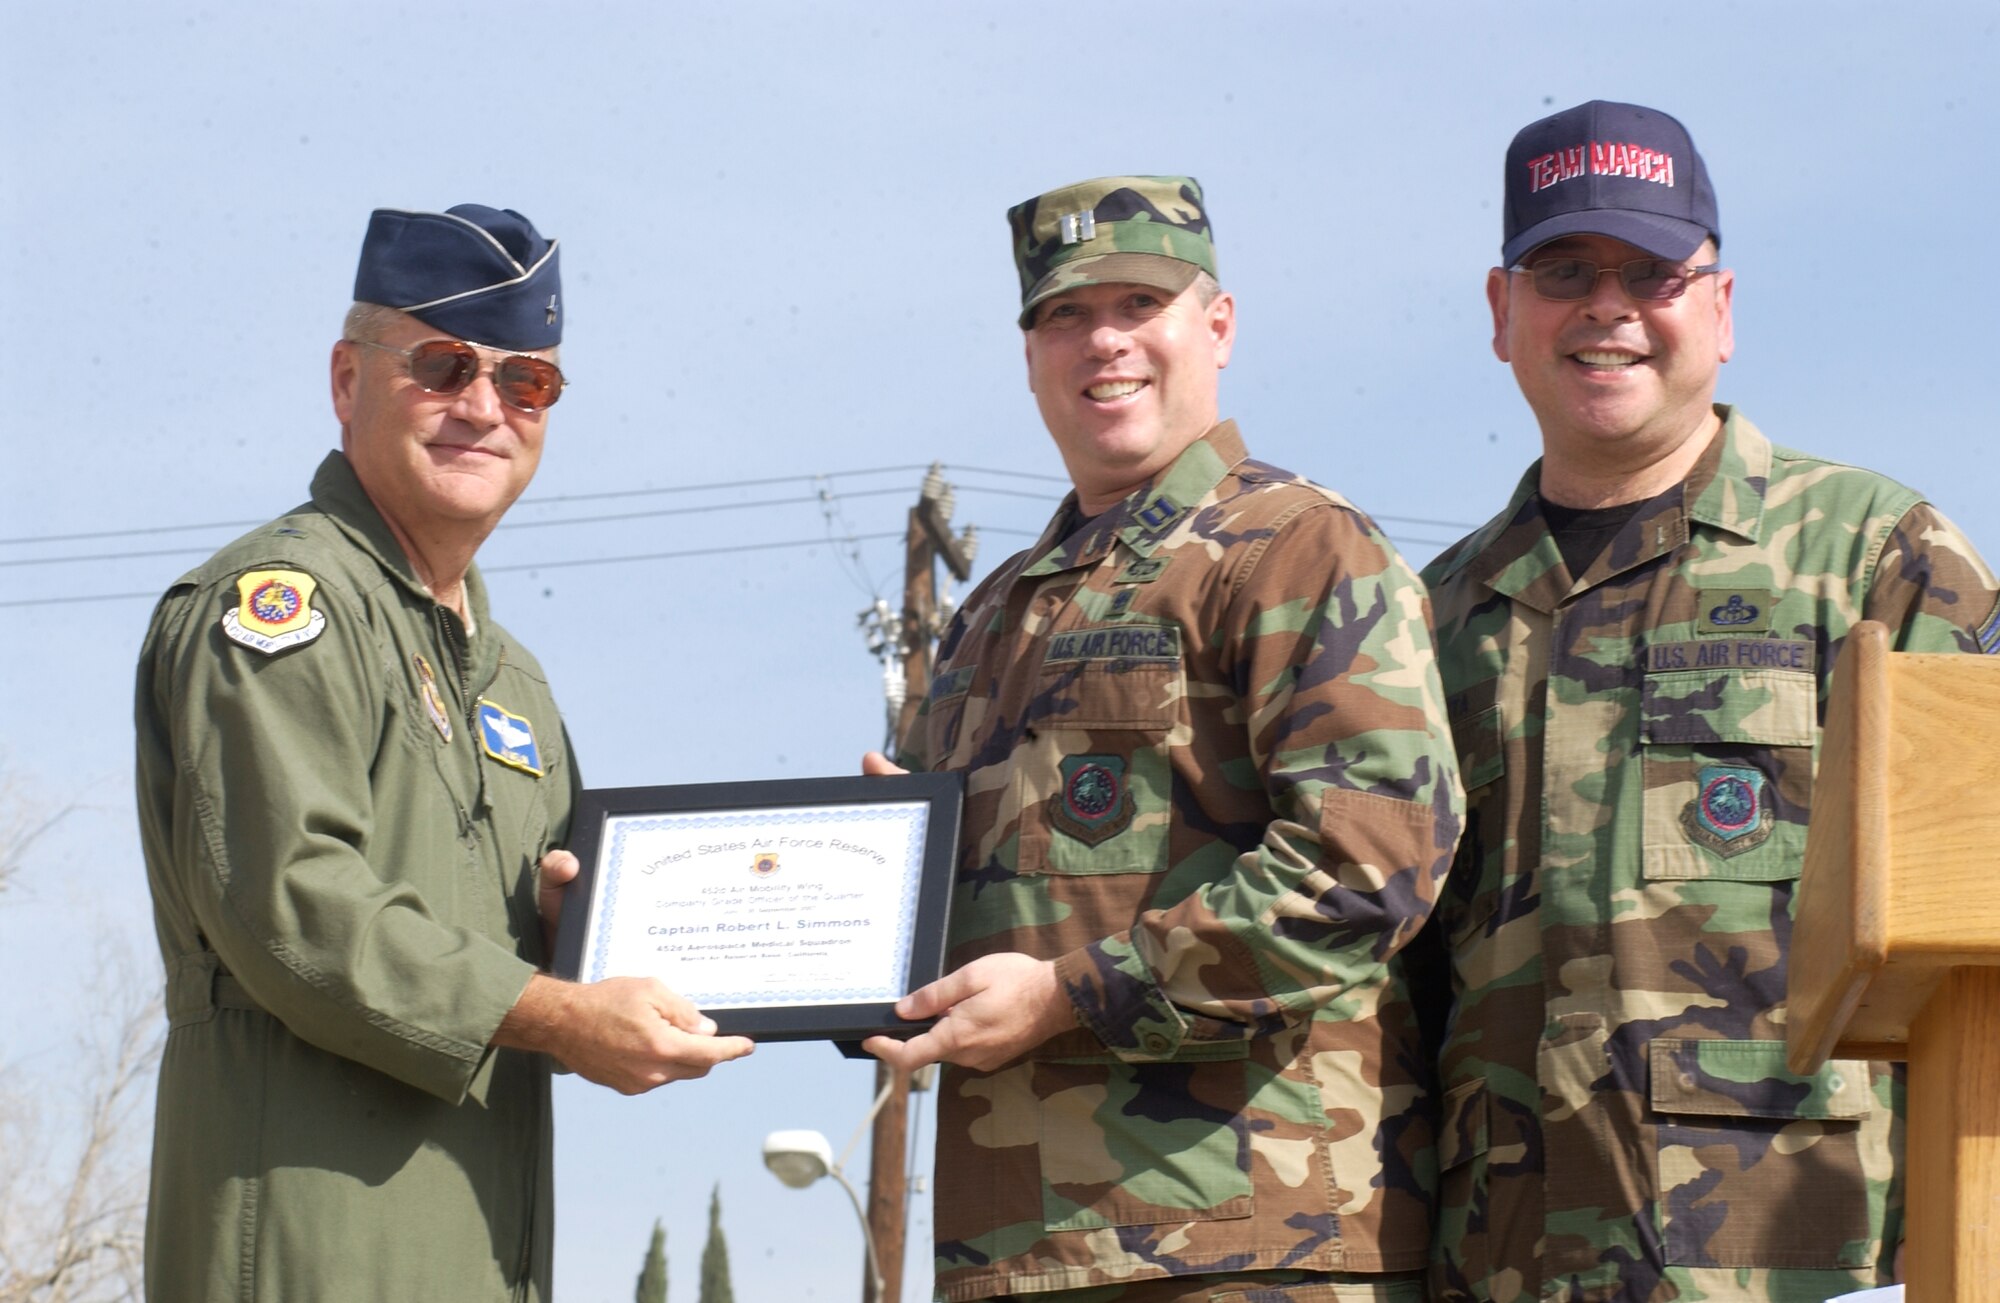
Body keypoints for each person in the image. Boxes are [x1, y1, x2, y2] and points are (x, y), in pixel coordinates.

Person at [1421, 101, 2000, 1302]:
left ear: (1719, 311)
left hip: (1814, 1252)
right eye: (1564, 270)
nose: (1607, 306)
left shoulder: (1876, 560)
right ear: (1500, 314)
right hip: (1503, 1258)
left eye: (1650, 273)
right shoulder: (1429, 617)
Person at [133, 204, 752, 1301]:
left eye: (527, 383)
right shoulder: (285, 604)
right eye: (443, 364)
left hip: (481, 1245)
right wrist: (558, 1011)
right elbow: (295, 904)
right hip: (309, 1238)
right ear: (345, 379)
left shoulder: (513, 679)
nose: (484, 408)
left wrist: (584, 940)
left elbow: (537, 953)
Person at [861, 176, 1463, 1303]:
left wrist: (1073, 994)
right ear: (1029, 351)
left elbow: (1368, 858)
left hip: (1251, 1238)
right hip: (1016, 1247)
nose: (1104, 342)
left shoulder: (1293, 548)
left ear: (1216, 326)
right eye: (1064, 316)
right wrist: (862, 906)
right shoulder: (991, 614)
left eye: (1139, 302)